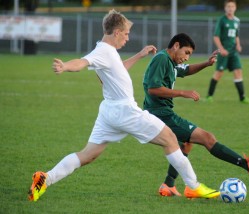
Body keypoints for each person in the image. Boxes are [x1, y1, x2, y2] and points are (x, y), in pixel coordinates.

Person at [28, 9, 221, 202]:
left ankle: (45, 178)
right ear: (117, 32)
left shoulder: (108, 52)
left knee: (87, 155)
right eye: (126, 34)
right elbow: (82, 62)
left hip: (108, 112)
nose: (128, 38)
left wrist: (140, 54)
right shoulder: (103, 51)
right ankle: (193, 186)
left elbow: (118, 68)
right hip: (124, 110)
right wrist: (65, 66)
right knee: (170, 138)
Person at [142, 33, 249, 197]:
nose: (187, 57)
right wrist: (183, 92)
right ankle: (246, 165)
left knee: (185, 144)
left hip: (162, 113)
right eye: (187, 52)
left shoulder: (170, 61)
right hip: (160, 114)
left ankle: (168, 185)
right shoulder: (162, 59)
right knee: (208, 138)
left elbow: (187, 69)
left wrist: (206, 63)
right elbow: (153, 89)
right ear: (176, 46)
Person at [206, 0, 249, 103]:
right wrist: (221, 49)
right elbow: (216, 36)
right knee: (219, 73)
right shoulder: (222, 20)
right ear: (225, 8)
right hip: (224, 52)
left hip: (233, 52)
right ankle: (209, 96)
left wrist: (238, 45)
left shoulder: (237, 20)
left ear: (235, 8)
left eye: (232, 6)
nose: (230, 8)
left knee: (238, 71)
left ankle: (242, 98)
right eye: (228, 6)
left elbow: (236, 35)